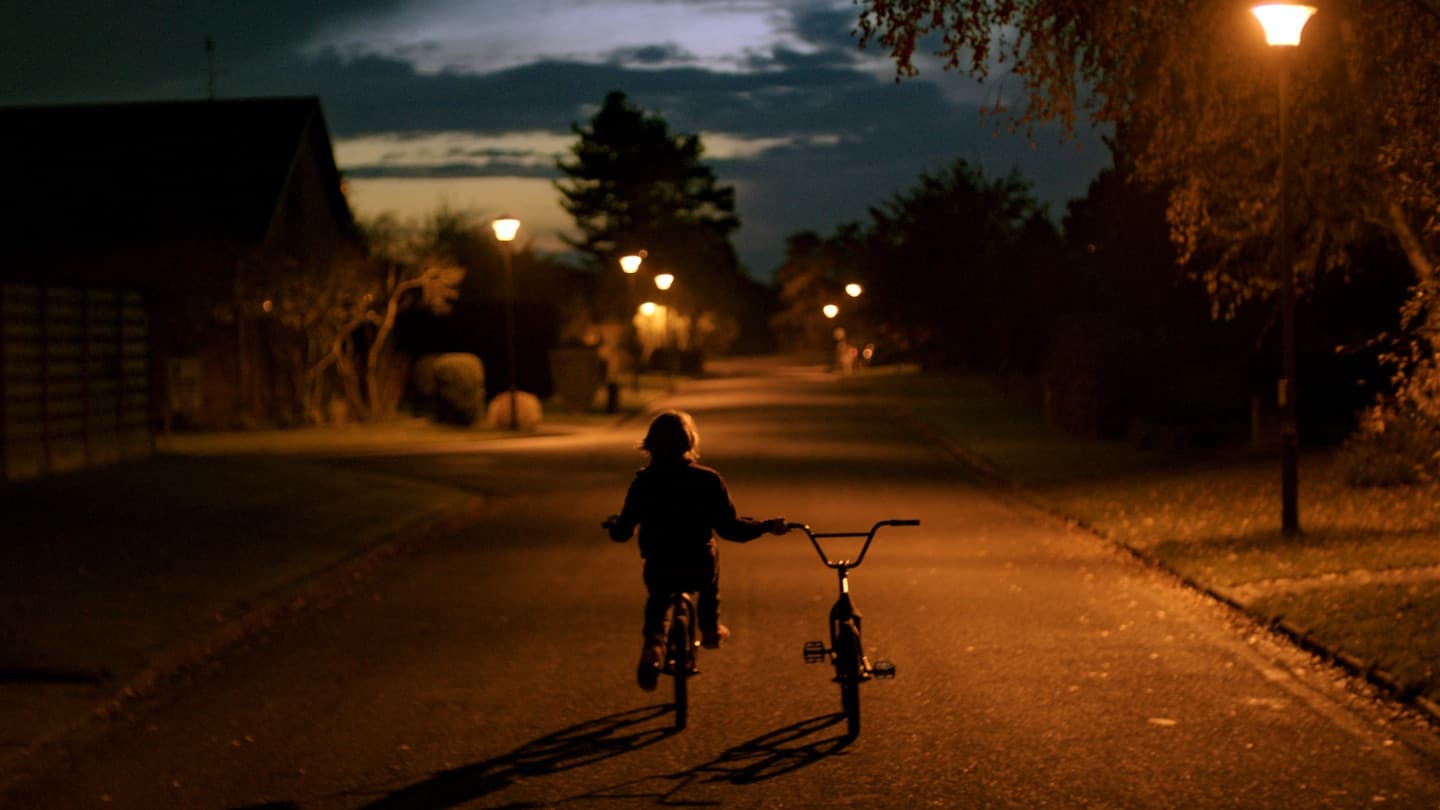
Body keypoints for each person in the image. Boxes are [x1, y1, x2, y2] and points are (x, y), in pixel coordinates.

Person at [605, 410, 787, 691]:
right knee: (710, 563)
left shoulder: (644, 481)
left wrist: (615, 527)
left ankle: (653, 646)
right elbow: (730, 529)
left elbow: (623, 531)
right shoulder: (708, 480)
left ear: (650, 444)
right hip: (698, 564)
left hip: (660, 562)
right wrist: (765, 527)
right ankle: (710, 629)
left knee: (658, 599)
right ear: (689, 442)